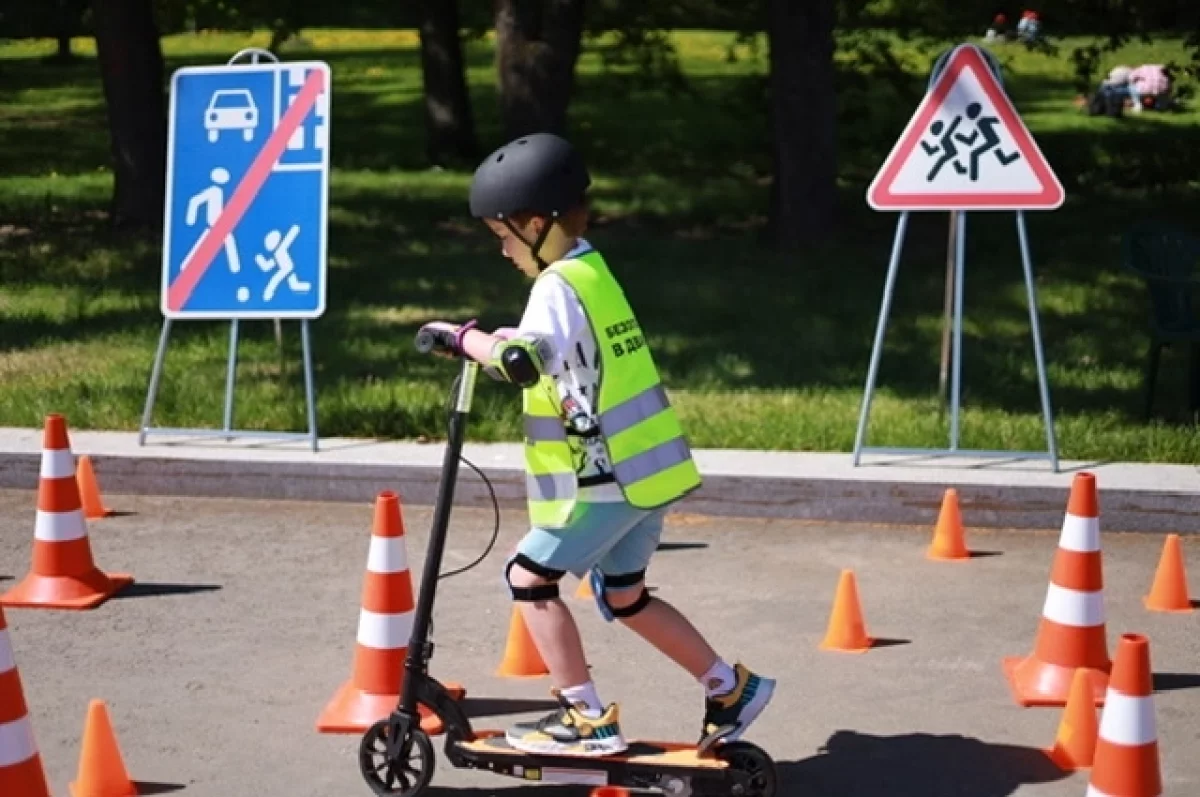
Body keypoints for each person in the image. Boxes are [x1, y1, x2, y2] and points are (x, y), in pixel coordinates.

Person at [424, 133, 776, 758]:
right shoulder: (591, 269)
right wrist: (512, 338)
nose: (503, 251)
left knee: (528, 577)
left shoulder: (555, 287)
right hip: (650, 472)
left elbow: (517, 360)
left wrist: (460, 336)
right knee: (625, 595)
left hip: (606, 479)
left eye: (504, 237)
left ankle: (586, 718)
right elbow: (566, 351)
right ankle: (729, 687)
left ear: (536, 224)